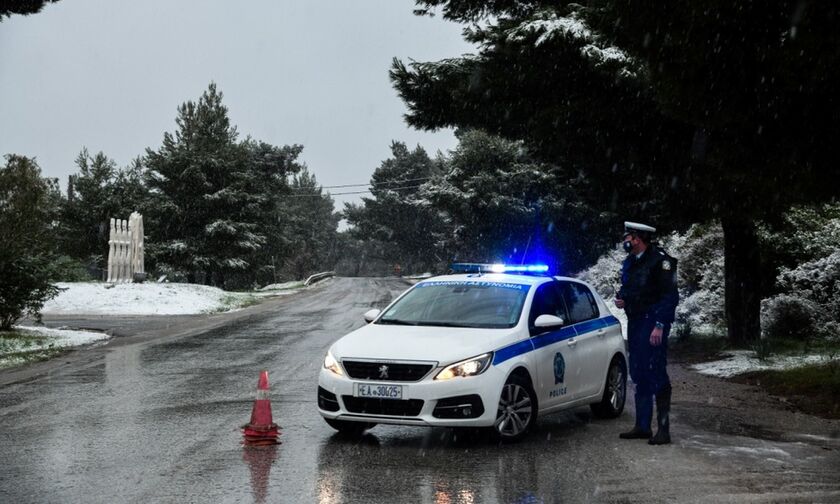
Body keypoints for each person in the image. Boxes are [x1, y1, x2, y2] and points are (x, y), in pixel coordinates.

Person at [614, 222, 679, 445]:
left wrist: (660, 324)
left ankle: (663, 430)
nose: (626, 241)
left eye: (628, 237)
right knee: (639, 371)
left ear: (638, 238)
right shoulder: (630, 262)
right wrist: (624, 299)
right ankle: (643, 426)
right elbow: (632, 289)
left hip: (653, 322)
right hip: (636, 321)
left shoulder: (661, 262)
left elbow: (669, 296)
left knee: (656, 371)